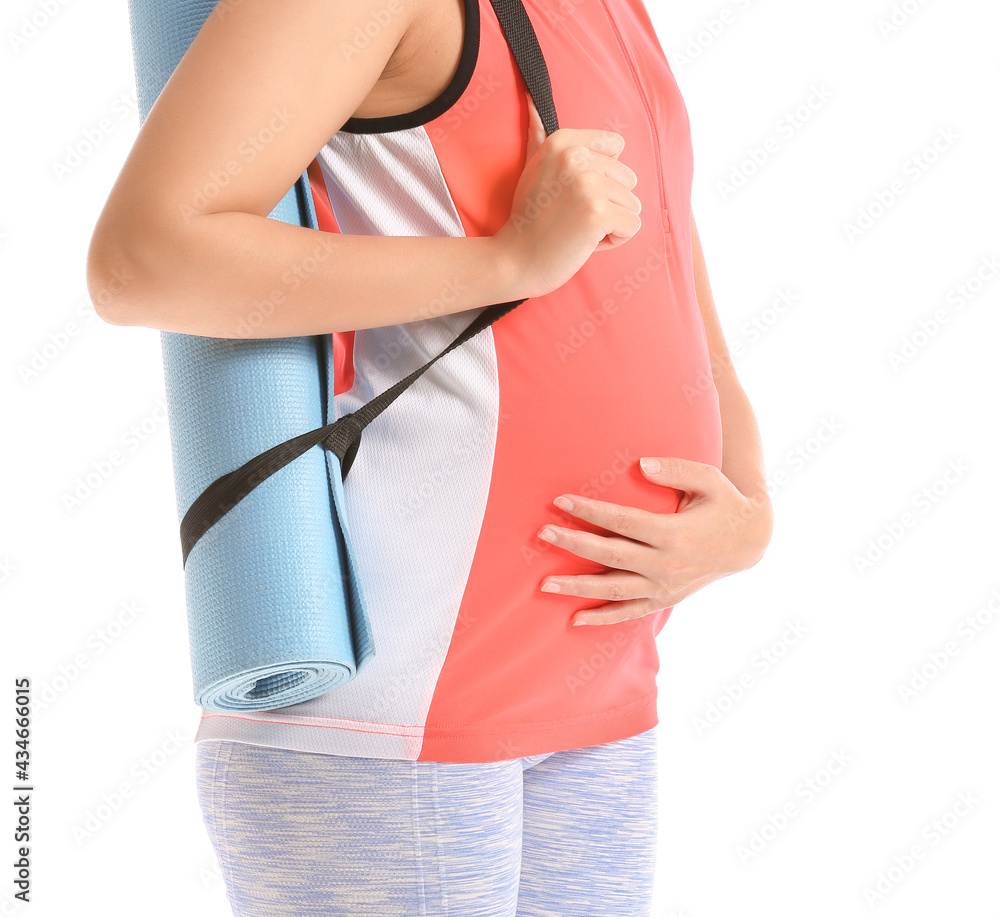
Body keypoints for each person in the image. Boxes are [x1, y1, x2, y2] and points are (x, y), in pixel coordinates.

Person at [86, 0, 773, 912]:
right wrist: (507, 263)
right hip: (391, 713)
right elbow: (141, 260)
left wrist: (749, 509)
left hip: (601, 692)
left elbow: (671, 271)